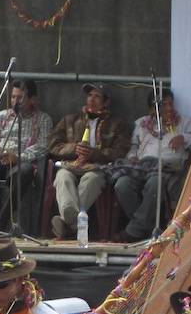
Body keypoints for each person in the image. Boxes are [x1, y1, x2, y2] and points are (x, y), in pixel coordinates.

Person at [113, 89, 191, 241]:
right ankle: (146, 226)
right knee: (122, 184)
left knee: (155, 183)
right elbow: (133, 147)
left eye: (169, 104)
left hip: (167, 167)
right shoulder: (141, 123)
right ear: (152, 109)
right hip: (141, 166)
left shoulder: (185, 122)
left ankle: (134, 231)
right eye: (162, 105)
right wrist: (132, 157)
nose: (168, 108)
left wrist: (183, 138)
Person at [48, 83, 131, 240]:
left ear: (106, 102)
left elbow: (120, 151)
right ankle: (75, 224)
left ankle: (67, 224)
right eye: (89, 95)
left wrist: (94, 153)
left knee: (91, 180)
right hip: (72, 165)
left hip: (96, 168)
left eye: (97, 96)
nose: (91, 100)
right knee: (62, 177)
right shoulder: (70, 120)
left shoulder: (117, 124)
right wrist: (74, 149)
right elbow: (53, 144)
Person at [0, 78, 52, 232]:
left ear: (32, 100)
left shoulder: (43, 119)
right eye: (13, 97)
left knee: (26, 172)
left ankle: (2, 220)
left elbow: (43, 147)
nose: (16, 101)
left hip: (19, 162)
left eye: (20, 98)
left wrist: (18, 157)